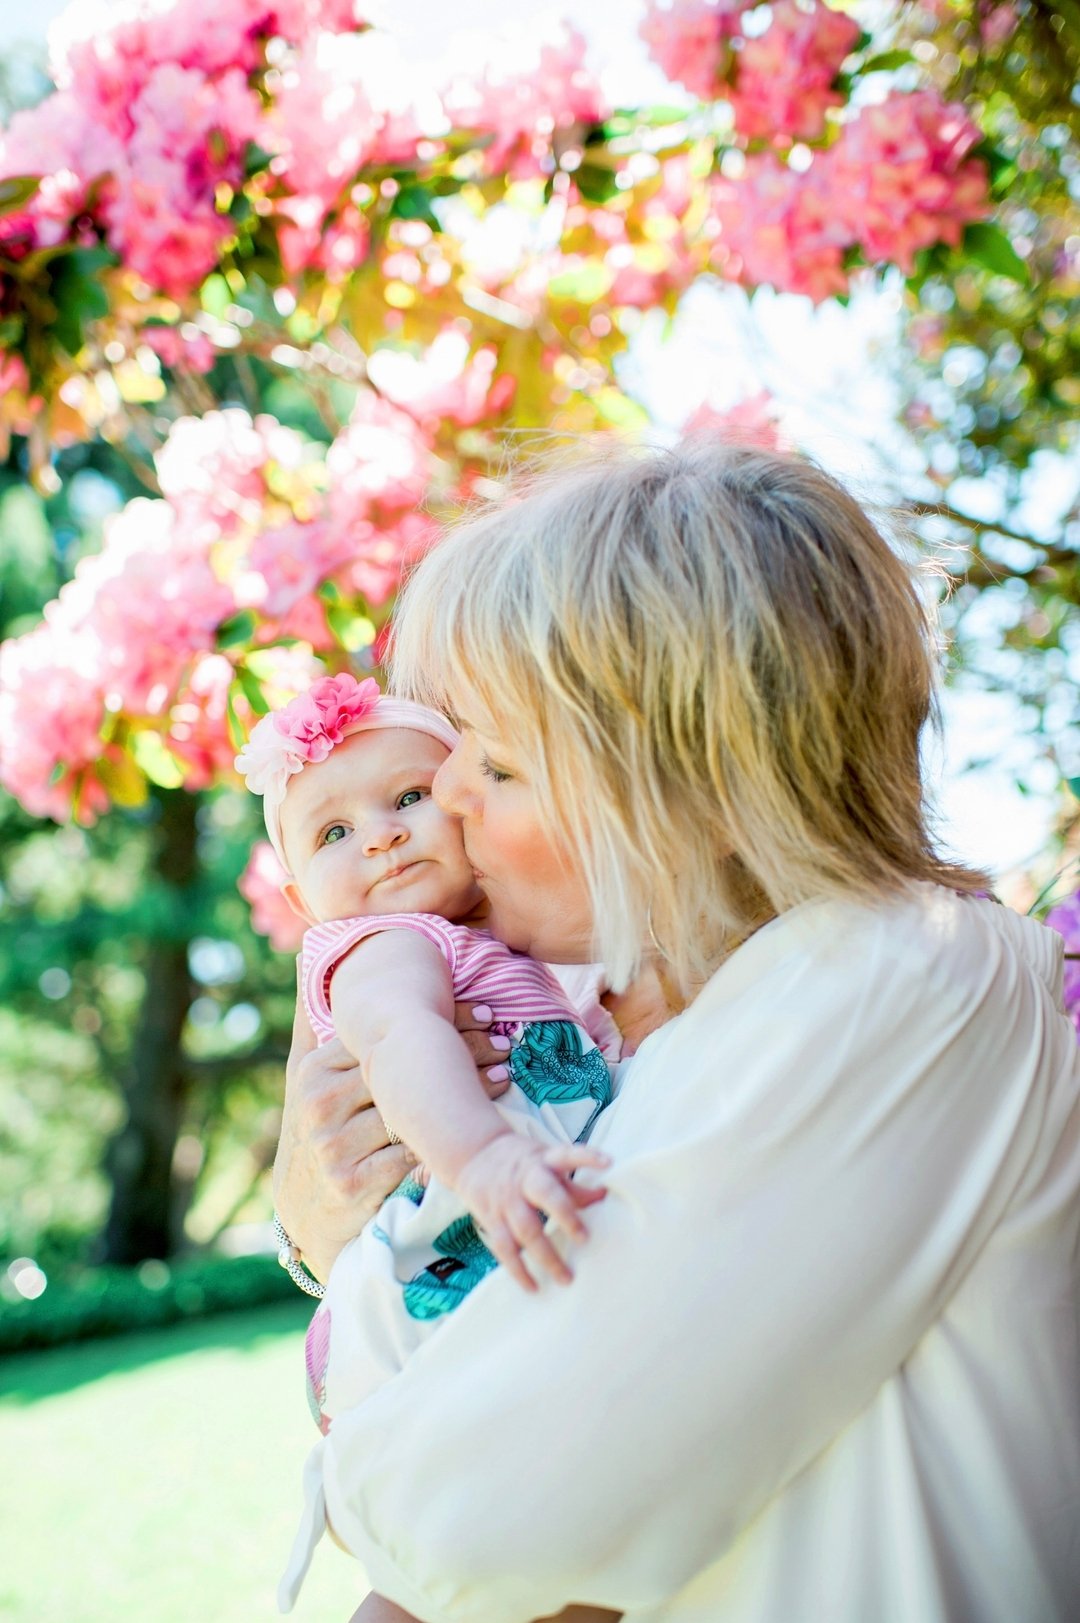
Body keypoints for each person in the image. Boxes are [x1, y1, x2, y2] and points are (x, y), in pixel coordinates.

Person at [272, 442, 1080, 1623]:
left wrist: (365, 1460)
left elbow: (487, 1521)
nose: (440, 800)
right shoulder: (647, 1017)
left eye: (493, 761)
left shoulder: (896, 975)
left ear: (675, 787)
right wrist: (329, 1216)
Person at [235, 676, 615, 1606]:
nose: (380, 834)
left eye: (407, 796)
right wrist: (483, 1156)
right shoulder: (384, 945)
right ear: (299, 895)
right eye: (333, 832)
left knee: (467, 1572)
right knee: (449, 1561)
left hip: (484, 1254)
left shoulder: (511, 944)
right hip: (433, 1269)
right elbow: (402, 1039)